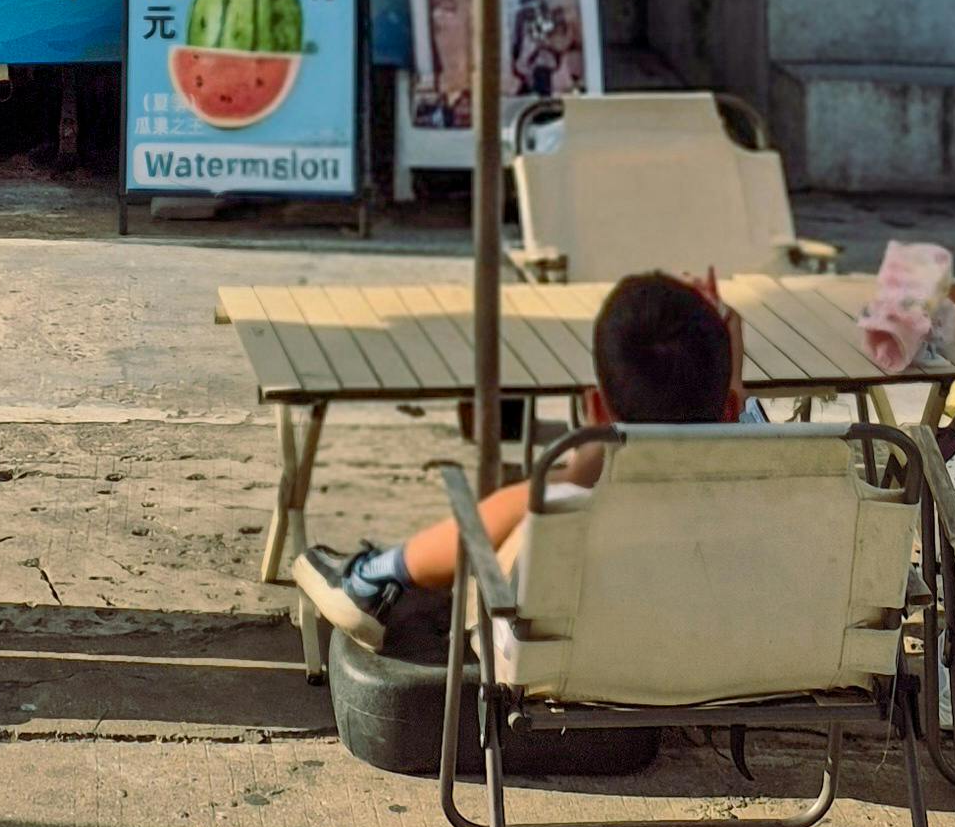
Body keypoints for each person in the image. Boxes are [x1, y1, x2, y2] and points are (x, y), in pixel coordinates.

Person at [294, 268, 739, 651]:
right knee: (569, 481)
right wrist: (726, 346)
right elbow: (733, 408)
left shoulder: (567, 501)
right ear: (731, 404)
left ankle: (375, 578)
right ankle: (379, 575)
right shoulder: (768, 481)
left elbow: (579, 477)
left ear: (596, 408)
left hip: (571, 659)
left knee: (532, 502)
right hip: (717, 652)